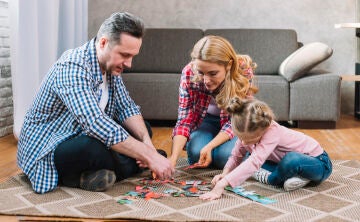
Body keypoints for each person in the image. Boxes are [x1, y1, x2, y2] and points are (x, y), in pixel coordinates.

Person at [17, 12, 174, 194]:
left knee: (143, 129)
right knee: (92, 148)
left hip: (82, 133)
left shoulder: (109, 66)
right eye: (124, 55)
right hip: (51, 146)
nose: (129, 64)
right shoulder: (72, 66)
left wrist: (147, 146)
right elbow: (95, 123)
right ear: (103, 43)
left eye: (132, 56)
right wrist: (149, 156)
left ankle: (93, 174)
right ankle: (118, 168)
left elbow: (126, 107)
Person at [199, 97, 333, 200]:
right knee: (247, 158)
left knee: (290, 159)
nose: (244, 142)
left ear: (264, 129)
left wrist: (221, 185)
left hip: (319, 163)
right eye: (241, 138)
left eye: (250, 139)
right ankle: (297, 177)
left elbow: (255, 161)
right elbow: (236, 155)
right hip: (280, 162)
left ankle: (272, 179)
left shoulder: (272, 130)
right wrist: (225, 173)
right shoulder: (246, 133)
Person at [168, 35, 258, 169]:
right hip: (205, 121)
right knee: (196, 154)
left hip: (235, 123)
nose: (206, 80)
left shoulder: (242, 71)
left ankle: (253, 151)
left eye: (213, 73)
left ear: (229, 65)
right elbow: (184, 120)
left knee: (224, 158)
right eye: (201, 72)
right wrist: (173, 159)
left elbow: (235, 121)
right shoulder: (189, 72)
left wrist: (210, 146)